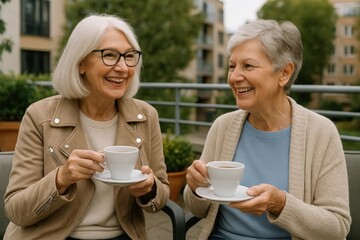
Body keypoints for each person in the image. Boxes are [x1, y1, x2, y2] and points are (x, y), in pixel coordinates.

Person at [4, 14, 169, 240]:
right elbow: (16, 210)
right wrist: (61, 178)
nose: (122, 67)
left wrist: (150, 189)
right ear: (80, 63)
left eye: (129, 56)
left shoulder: (146, 116)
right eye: (109, 55)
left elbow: (161, 195)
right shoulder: (39, 116)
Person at [184, 19, 351, 240]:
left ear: (284, 73)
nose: (234, 77)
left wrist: (281, 204)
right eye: (232, 66)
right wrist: (196, 188)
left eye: (248, 66)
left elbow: (337, 227)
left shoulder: (321, 133)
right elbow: (197, 210)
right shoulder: (223, 126)